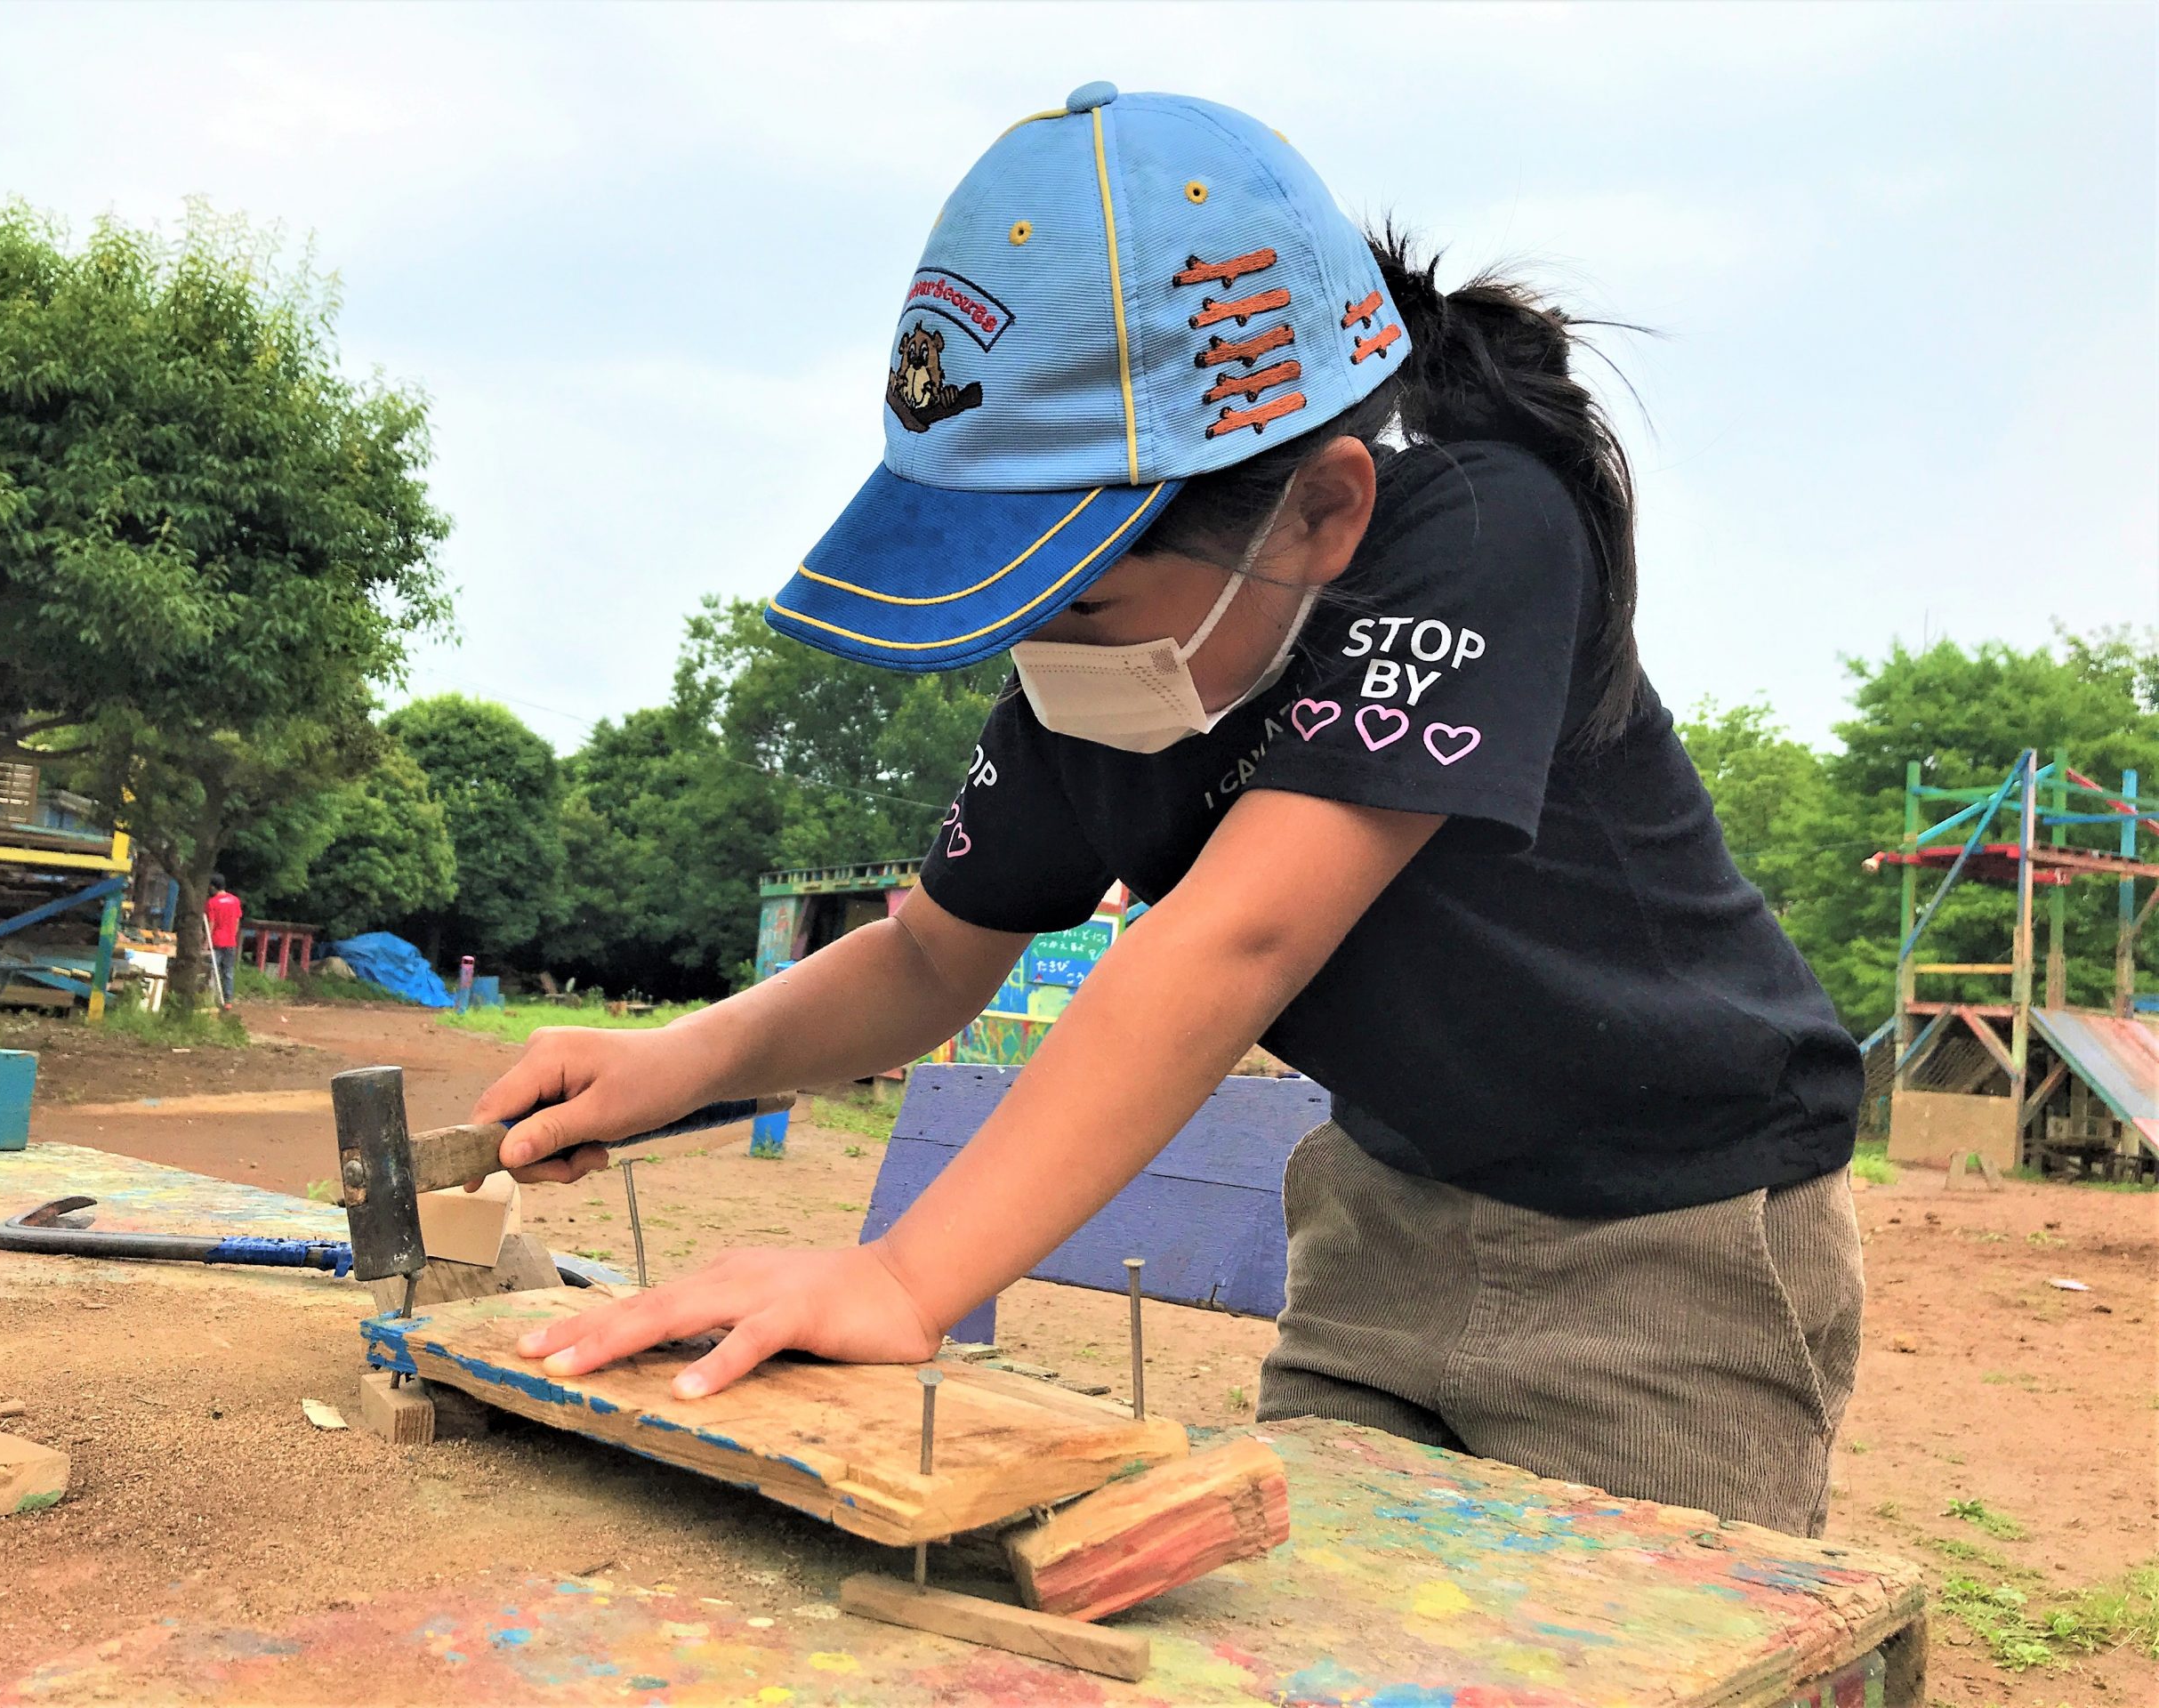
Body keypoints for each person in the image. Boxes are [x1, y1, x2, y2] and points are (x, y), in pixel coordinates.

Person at [474, 85, 1865, 1535]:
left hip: (1670, 1243)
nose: (1042, 653)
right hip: (1382, 1215)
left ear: (1323, 515)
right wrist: (677, 1065)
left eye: (1078, 595)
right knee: (1326, 1617)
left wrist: (900, 1278)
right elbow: (930, 960)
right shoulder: (1111, 672)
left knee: (1637, 1644)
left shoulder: (1479, 523)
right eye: (1014, 604)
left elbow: (1232, 944)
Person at [204, 875, 243, 1008]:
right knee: (228, 972)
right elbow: (237, 921)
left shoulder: (212, 902)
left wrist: (206, 943)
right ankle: (228, 1000)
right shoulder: (235, 901)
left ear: (213, 886)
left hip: (216, 942)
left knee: (213, 971)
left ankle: (211, 999)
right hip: (231, 942)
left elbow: (211, 923)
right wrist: (233, 934)